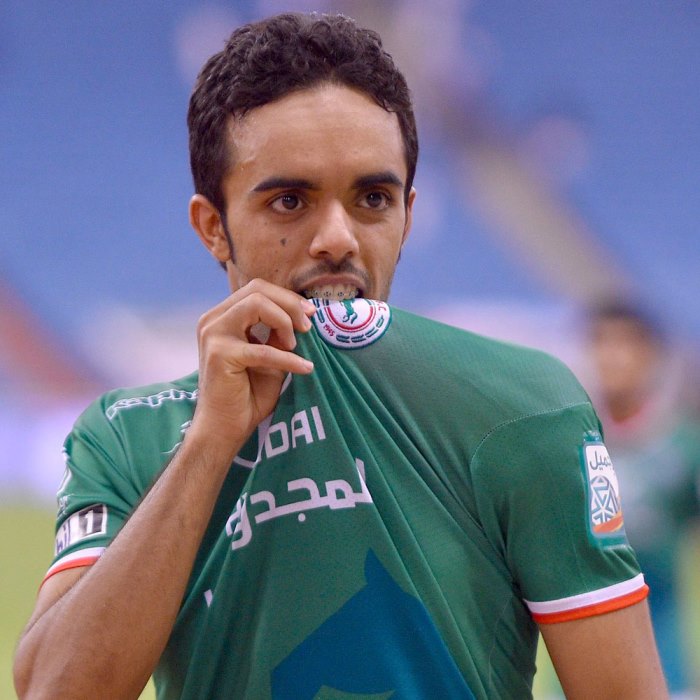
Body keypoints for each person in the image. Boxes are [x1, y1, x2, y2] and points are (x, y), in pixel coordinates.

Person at [14, 12, 666, 699]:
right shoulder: (127, 434)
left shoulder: (523, 405)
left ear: (407, 217)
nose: (337, 237)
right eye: (289, 201)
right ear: (213, 228)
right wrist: (208, 444)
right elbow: (55, 690)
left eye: (372, 198)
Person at [586, 300, 700, 696]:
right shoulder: (568, 442)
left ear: (650, 355)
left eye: (625, 344)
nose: (612, 357)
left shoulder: (685, 446)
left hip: (665, 661)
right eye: (601, 343)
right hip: (581, 662)